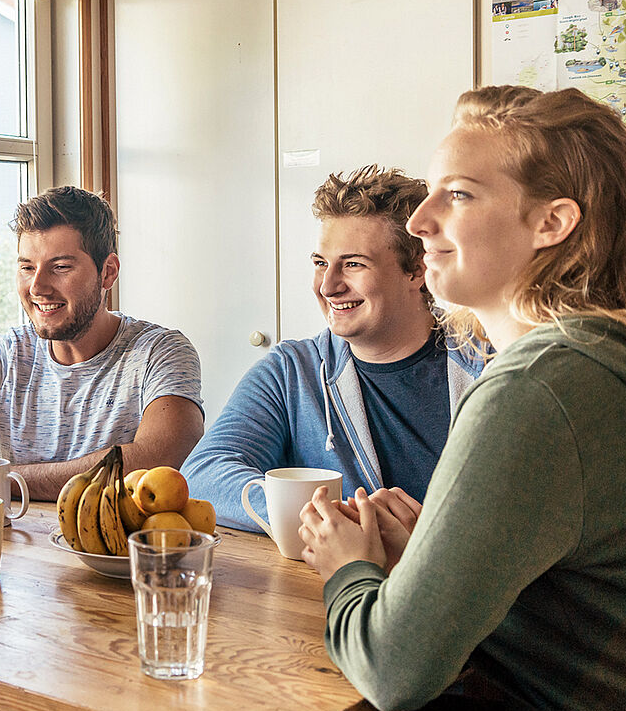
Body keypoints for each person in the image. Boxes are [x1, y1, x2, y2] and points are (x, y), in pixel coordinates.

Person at [299, 86, 626, 711]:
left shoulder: (538, 388)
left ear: (551, 222)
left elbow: (391, 671)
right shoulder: (603, 354)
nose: (418, 221)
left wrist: (349, 569)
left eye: (457, 194)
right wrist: (436, 549)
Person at [182, 166, 484, 531]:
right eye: (321, 264)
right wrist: (336, 519)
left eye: (353, 264)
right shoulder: (290, 372)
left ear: (417, 271)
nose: (327, 286)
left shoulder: (488, 364)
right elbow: (204, 475)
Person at [0, 185, 204, 500]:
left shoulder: (161, 352)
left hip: (120, 549)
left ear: (107, 273)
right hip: (22, 548)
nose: (37, 287)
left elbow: (155, 461)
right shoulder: (7, 354)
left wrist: (0, 479)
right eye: (27, 267)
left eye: (61, 267)